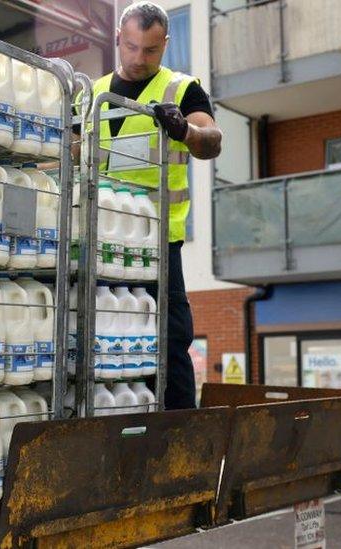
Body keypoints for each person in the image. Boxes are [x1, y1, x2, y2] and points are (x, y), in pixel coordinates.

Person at [92, 1, 222, 409]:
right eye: (130, 47)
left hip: (158, 239)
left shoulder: (182, 89)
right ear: (118, 39)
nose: (138, 58)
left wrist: (184, 129)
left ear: (165, 44)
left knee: (169, 338)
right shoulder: (94, 93)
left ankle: (181, 432)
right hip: (100, 236)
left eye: (149, 50)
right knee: (101, 332)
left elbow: (212, 140)